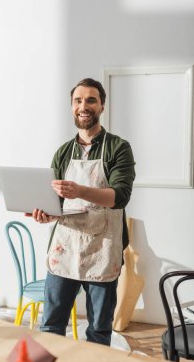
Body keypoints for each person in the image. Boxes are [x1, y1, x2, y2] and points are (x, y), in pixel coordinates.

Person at [26, 78, 135, 346]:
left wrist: (80, 190)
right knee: (51, 325)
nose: (83, 106)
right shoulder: (63, 153)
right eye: (78, 100)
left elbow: (119, 196)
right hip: (64, 249)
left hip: (103, 250)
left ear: (102, 106)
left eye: (90, 100)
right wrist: (46, 215)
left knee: (98, 330)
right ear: (72, 106)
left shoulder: (118, 148)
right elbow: (58, 205)